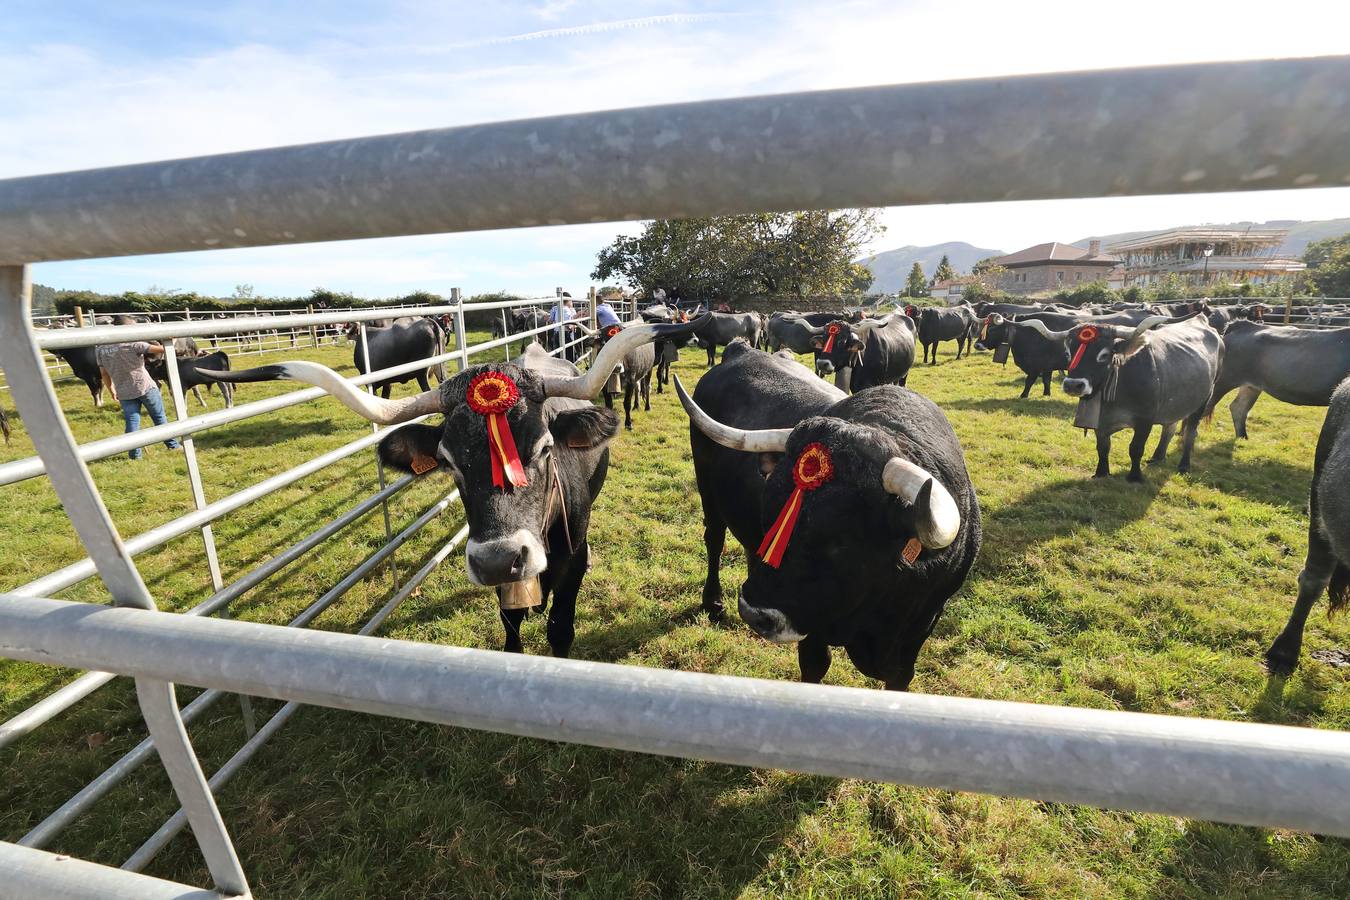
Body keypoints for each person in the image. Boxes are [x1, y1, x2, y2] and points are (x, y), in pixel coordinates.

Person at [97, 316, 180, 460]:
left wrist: (112, 390)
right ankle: (173, 446)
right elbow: (164, 349)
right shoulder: (134, 344)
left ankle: (135, 455)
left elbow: (104, 373)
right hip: (145, 386)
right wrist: (174, 338)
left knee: (132, 422)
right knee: (159, 417)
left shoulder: (100, 349)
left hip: (124, 390)